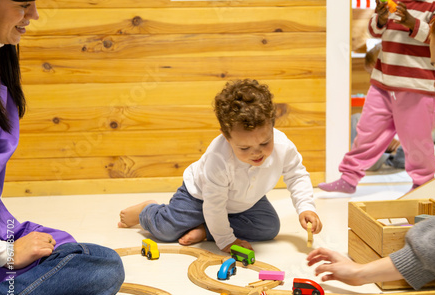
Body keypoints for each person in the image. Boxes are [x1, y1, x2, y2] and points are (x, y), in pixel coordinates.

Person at [307, 0, 435, 289]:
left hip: (407, 87)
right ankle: (351, 175)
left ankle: (419, 179)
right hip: (387, 81)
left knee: (416, 142)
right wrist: (361, 273)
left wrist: (362, 273)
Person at [0, 1, 125, 295]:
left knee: (94, 257)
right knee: (101, 270)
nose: (35, 15)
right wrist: (7, 254)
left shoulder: (2, 58)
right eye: (24, 5)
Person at [119, 79, 322, 253]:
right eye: (244, 148)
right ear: (227, 137)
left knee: (268, 228)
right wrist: (227, 242)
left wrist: (305, 208)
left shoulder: (283, 146)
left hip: (244, 201)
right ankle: (147, 211)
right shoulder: (219, 157)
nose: (256, 153)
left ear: (272, 126)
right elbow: (214, 205)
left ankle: (207, 230)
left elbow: (296, 175)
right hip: (201, 197)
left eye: (264, 143)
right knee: (166, 230)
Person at [318, 0, 435, 194]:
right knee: (367, 130)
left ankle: (423, 185)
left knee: (417, 140)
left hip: (416, 85)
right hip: (383, 81)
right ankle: (349, 177)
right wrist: (381, 18)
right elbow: (373, 31)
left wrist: (411, 22)